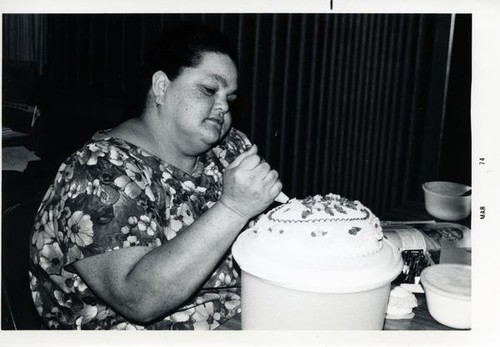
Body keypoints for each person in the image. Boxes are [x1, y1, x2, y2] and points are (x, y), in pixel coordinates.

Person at [28, 24, 283, 330]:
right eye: (209, 90)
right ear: (162, 87)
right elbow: (138, 300)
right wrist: (233, 209)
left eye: (230, 97)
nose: (223, 107)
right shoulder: (98, 171)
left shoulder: (229, 149)